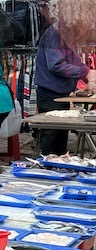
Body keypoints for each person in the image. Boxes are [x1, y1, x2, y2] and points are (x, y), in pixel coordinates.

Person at [35, 24, 95, 155]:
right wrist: (85, 73)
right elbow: (56, 65)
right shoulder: (55, 34)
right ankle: (47, 170)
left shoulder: (67, 34)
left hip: (60, 94)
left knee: (60, 139)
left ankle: (59, 168)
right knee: (52, 139)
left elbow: (75, 61)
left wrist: (88, 77)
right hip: (50, 94)